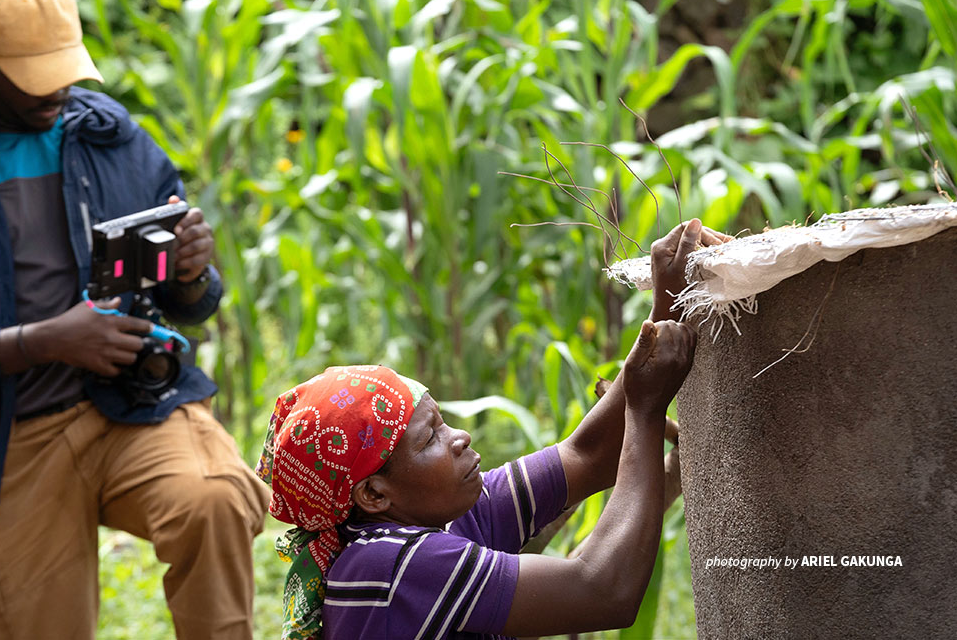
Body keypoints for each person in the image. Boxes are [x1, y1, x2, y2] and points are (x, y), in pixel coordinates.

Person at [0, 0, 269, 638]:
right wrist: (50, 339)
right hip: (10, 439)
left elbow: (187, 302)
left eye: (64, 69)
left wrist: (192, 272)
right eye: (33, 74)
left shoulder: (116, 142)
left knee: (214, 497)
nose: (56, 90)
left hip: (133, 408)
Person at [256, 219, 730, 639]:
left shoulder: (445, 514)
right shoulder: (386, 567)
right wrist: (646, 410)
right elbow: (605, 591)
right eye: (430, 440)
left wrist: (667, 307)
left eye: (442, 423)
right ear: (375, 495)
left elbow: (588, 456)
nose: (459, 437)